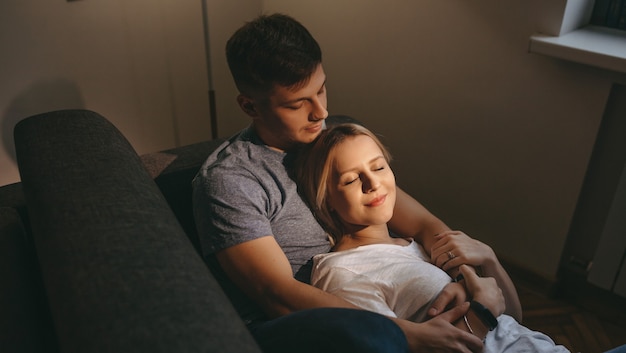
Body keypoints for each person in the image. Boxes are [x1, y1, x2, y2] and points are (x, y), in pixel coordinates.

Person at [193, 13, 519, 353]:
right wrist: (407, 334)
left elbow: (422, 224)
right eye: (297, 104)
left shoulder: (331, 138)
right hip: (314, 331)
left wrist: (467, 280)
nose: (319, 112)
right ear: (249, 106)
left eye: (321, 89)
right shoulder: (231, 181)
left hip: (388, 299)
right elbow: (276, 294)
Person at [295, 122, 571, 352]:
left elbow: (512, 317)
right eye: (351, 179)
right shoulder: (343, 273)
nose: (373, 184)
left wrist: (489, 259)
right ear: (327, 199)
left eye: (378, 167)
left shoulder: (418, 245)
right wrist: (481, 311)